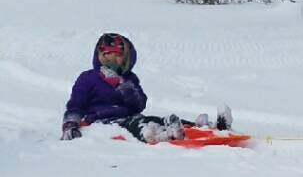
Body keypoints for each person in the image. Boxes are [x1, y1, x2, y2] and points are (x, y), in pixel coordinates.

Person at [61, 33, 231, 143]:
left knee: (154, 119)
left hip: (130, 116)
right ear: (98, 56)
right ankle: (159, 135)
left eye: (117, 55)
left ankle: (202, 127)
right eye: (107, 54)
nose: (111, 58)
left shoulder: (129, 79)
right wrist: (70, 125)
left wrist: (123, 86)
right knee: (139, 125)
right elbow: (75, 105)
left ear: (126, 58)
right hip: (103, 121)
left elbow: (139, 105)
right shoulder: (88, 78)